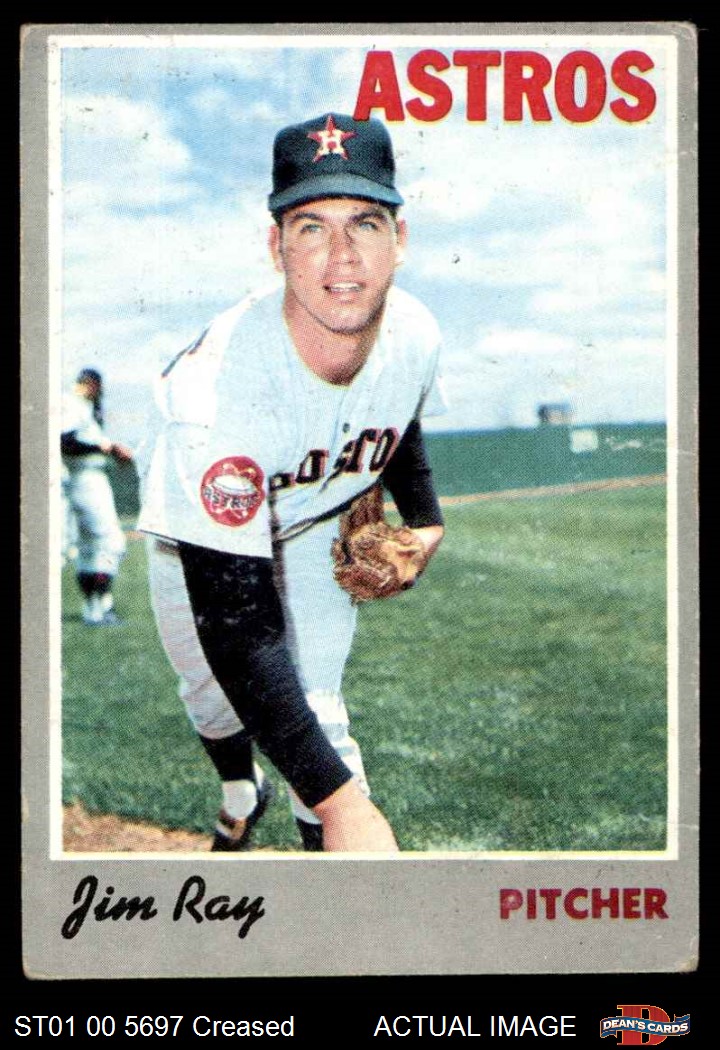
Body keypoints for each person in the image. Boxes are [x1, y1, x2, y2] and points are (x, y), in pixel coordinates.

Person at [137, 112, 446, 852]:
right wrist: (345, 812)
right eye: (311, 227)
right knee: (212, 696)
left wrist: (425, 520)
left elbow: (396, 414)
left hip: (309, 530)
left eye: (365, 222)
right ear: (275, 247)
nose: (343, 255)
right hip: (199, 535)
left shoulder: (415, 330)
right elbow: (239, 629)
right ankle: (242, 790)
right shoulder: (215, 401)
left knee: (317, 714)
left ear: (400, 239)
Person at [61, 368, 134, 626]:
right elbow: (65, 442)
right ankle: (101, 606)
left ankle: (93, 609)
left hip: (79, 477)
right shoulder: (74, 404)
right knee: (111, 543)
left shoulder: (77, 405)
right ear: (92, 384)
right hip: (86, 478)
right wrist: (107, 448)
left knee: (88, 548)